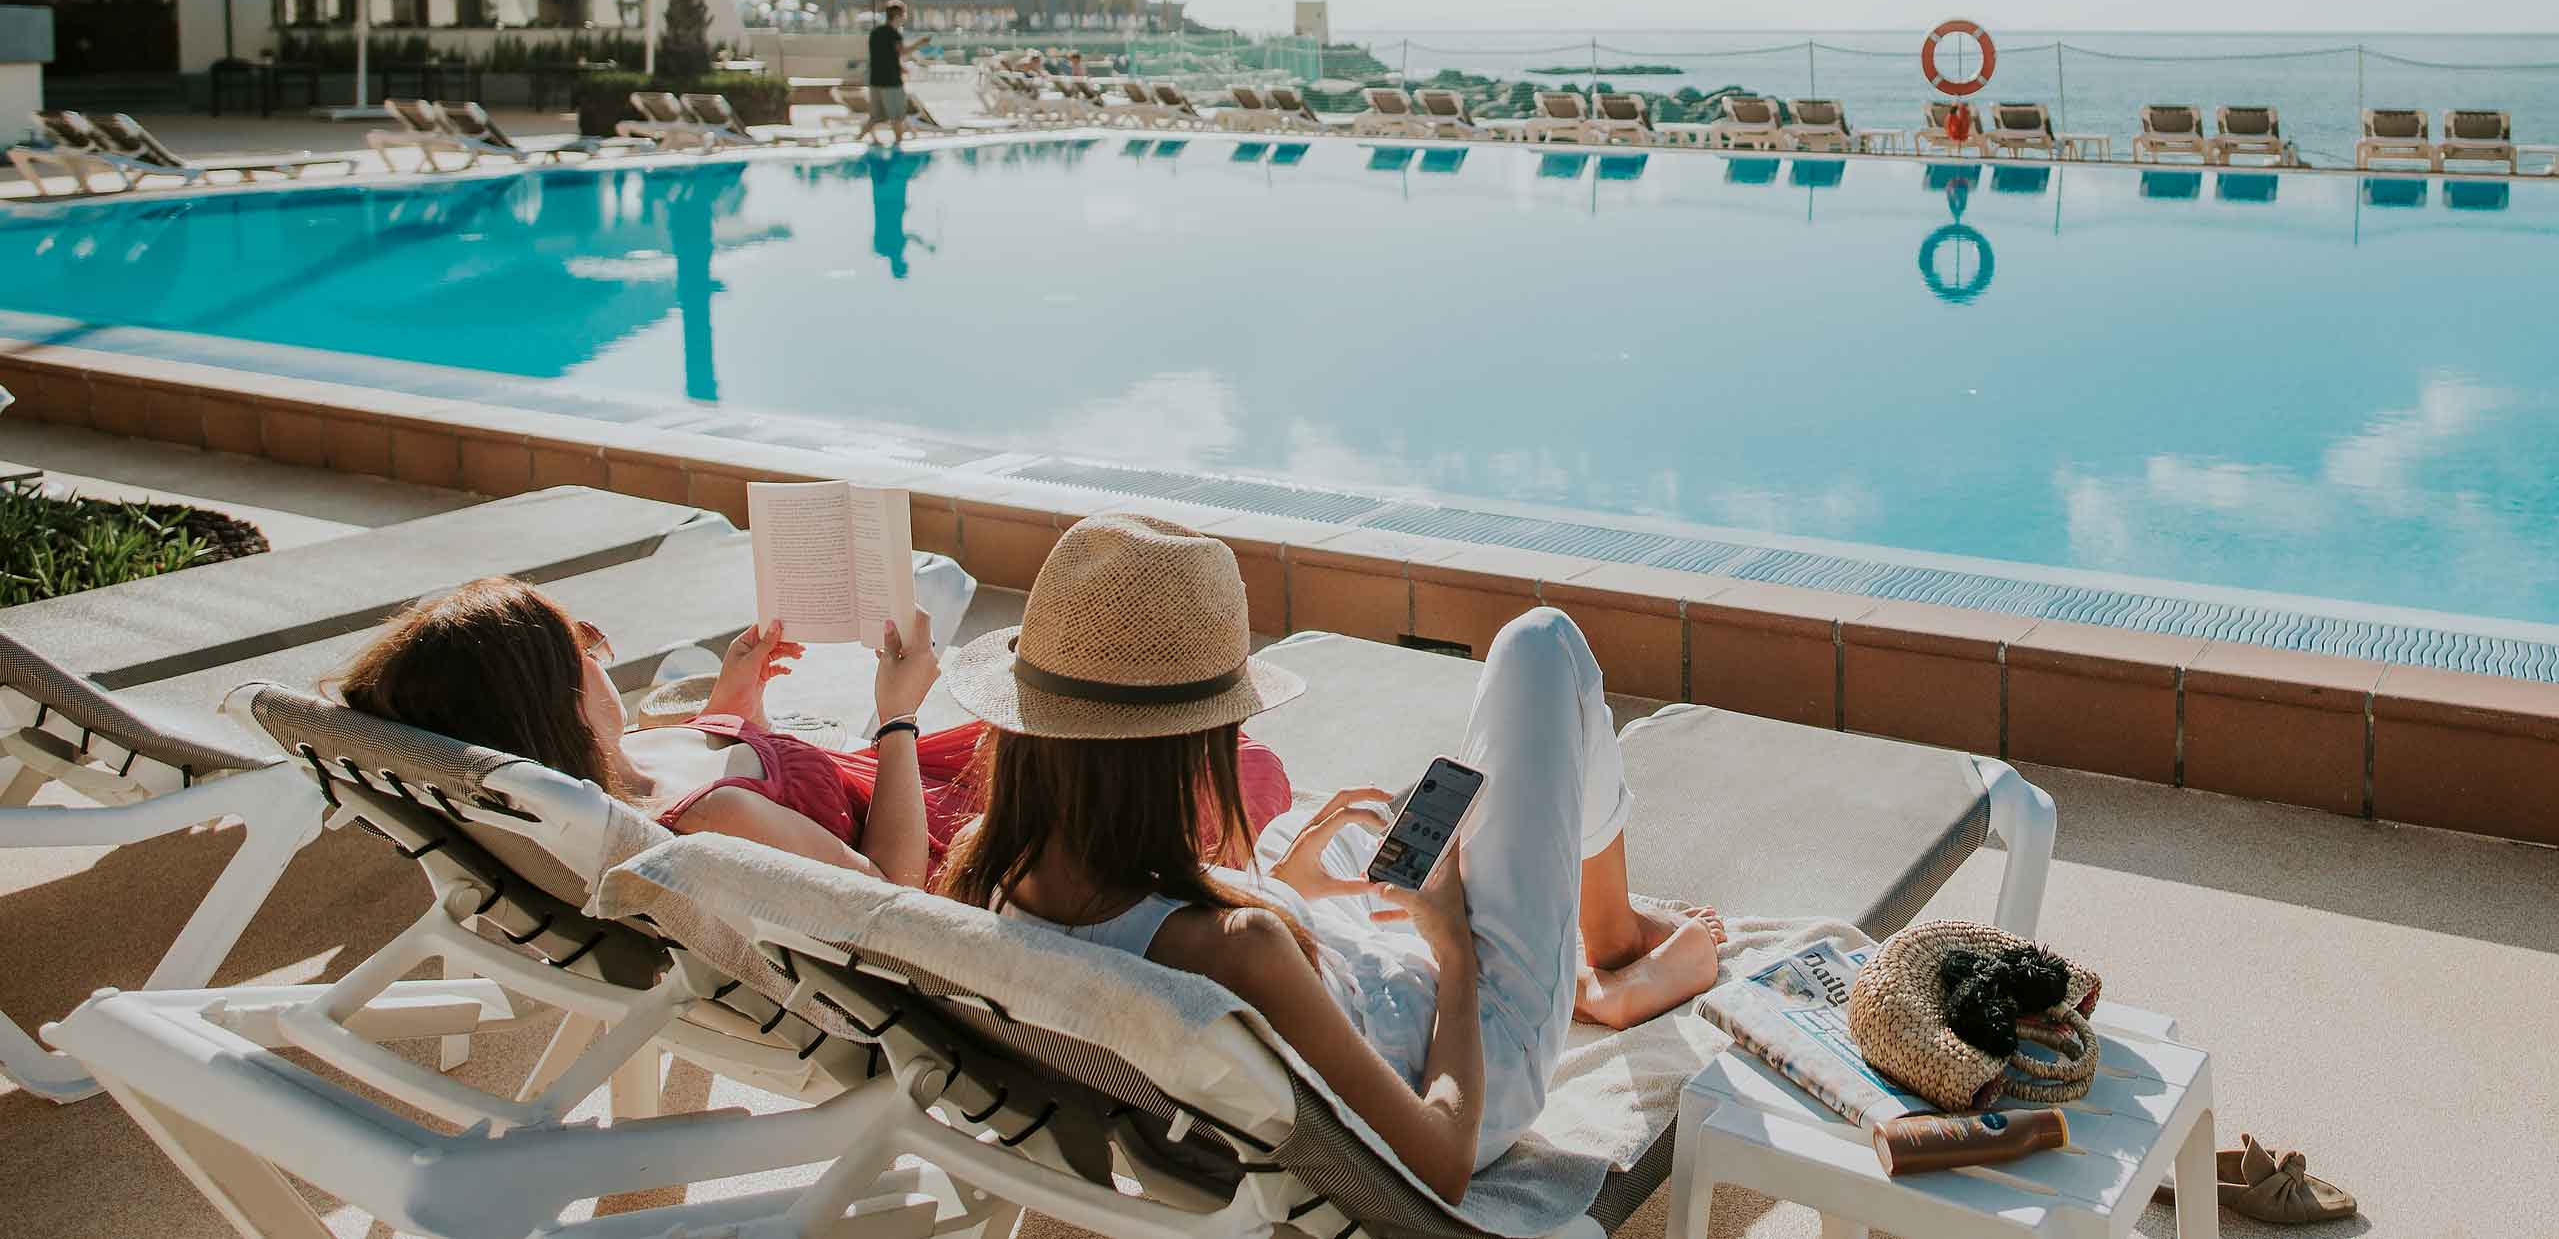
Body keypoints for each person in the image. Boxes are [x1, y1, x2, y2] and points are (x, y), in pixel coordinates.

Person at [935, 514, 1725, 1203]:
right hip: (1482, 1036)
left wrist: (1282, 891)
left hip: (1328, 994)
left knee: (1371, 817)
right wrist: (1453, 947)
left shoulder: (987, 870)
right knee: (1541, 645)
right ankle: (1602, 961)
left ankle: (1519, 918)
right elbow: (1440, 1160)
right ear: (1181, 754)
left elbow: (1184, 953)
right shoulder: (1242, 948)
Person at [333, 575, 1292, 883]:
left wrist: (734, 701)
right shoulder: (714, 826)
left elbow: (716, 762)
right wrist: (899, 715)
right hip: (931, 825)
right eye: (577, 642)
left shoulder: (608, 772)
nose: (601, 642)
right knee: (1236, 770)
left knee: (1150, 742)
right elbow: (887, 887)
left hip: (878, 771)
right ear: (545, 698)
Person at [862, 1, 929, 146]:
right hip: (891, 82)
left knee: (875, 117)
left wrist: (900, 65)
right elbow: (902, 52)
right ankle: (898, 146)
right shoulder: (894, 34)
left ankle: (856, 139)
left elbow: (884, 56)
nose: (905, 17)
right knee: (897, 117)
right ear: (898, 15)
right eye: (904, 14)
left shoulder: (875, 32)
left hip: (875, 80)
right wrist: (920, 43)